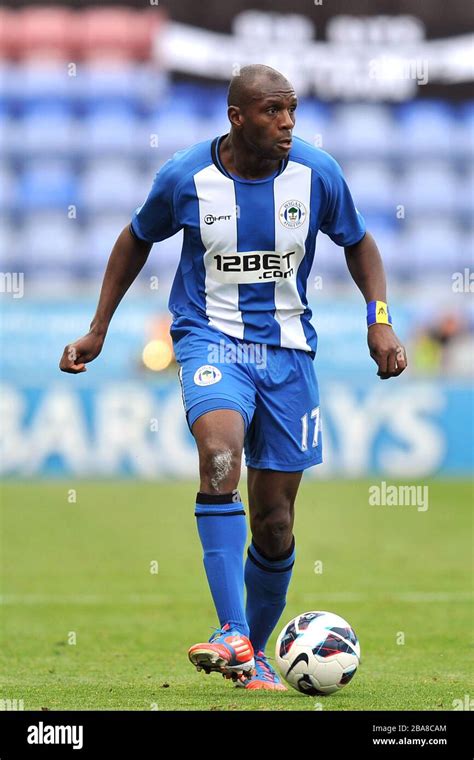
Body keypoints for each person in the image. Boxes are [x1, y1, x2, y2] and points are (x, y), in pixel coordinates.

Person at [59, 64, 407, 691]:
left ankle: (255, 657)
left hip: (288, 352)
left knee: (275, 523)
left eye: (293, 110)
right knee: (220, 456)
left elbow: (359, 243)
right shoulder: (186, 177)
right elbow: (135, 239)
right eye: (273, 111)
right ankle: (232, 632)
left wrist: (378, 319)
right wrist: (99, 328)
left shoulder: (317, 174)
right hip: (209, 336)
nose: (287, 123)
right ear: (237, 117)